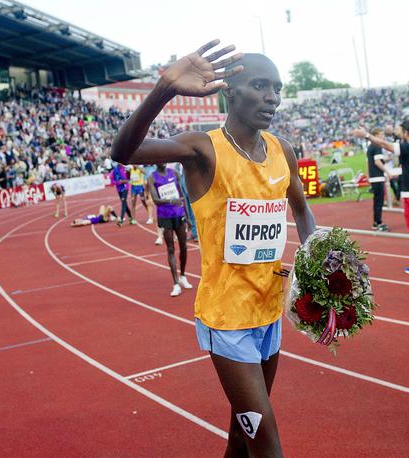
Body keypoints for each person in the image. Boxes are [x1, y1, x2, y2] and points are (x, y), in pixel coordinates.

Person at [111, 41, 315, 457]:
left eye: (277, 88)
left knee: (243, 436)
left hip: (268, 311)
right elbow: (123, 152)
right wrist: (164, 89)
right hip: (227, 319)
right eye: (260, 85)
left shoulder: (282, 151)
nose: (272, 97)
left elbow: (302, 210)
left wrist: (315, 261)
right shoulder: (202, 149)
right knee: (267, 445)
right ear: (230, 91)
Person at [357, 120, 409, 273]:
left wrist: (367, 135)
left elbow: (384, 144)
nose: (398, 132)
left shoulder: (407, 148)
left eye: (401, 130)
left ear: (406, 133)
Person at [148, 162, 193, 297]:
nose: (163, 161)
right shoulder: (152, 178)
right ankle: (175, 284)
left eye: (165, 158)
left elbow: (182, 195)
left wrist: (188, 216)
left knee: (184, 247)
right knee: (171, 248)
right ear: (155, 162)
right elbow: (155, 200)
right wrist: (169, 200)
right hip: (165, 215)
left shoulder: (174, 173)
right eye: (160, 159)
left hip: (179, 214)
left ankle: (183, 276)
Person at [362, 127, 390, 231]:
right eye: (382, 134)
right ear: (377, 135)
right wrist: (388, 172)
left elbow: (370, 162)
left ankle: (377, 221)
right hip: (377, 177)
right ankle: (377, 223)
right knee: (379, 201)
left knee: (377, 201)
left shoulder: (371, 146)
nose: (383, 136)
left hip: (374, 177)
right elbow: (377, 162)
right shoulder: (377, 145)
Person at [112, 162, 135, 226]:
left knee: (123, 202)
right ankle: (130, 218)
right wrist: (118, 182)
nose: (120, 163)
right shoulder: (115, 170)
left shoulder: (126, 169)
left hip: (125, 188)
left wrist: (125, 181)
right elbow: (112, 180)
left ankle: (121, 220)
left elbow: (129, 179)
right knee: (124, 203)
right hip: (119, 189)